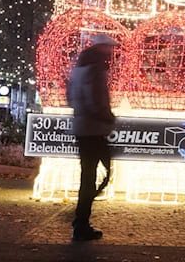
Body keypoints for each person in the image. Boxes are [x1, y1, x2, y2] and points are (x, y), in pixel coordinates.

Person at [66, 34, 118, 242]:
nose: (112, 53)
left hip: (82, 128)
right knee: (102, 175)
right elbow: (96, 100)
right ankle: (80, 220)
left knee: (89, 176)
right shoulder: (95, 71)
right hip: (94, 129)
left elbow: (70, 98)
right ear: (101, 49)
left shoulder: (77, 70)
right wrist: (108, 117)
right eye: (109, 49)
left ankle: (80, 218)